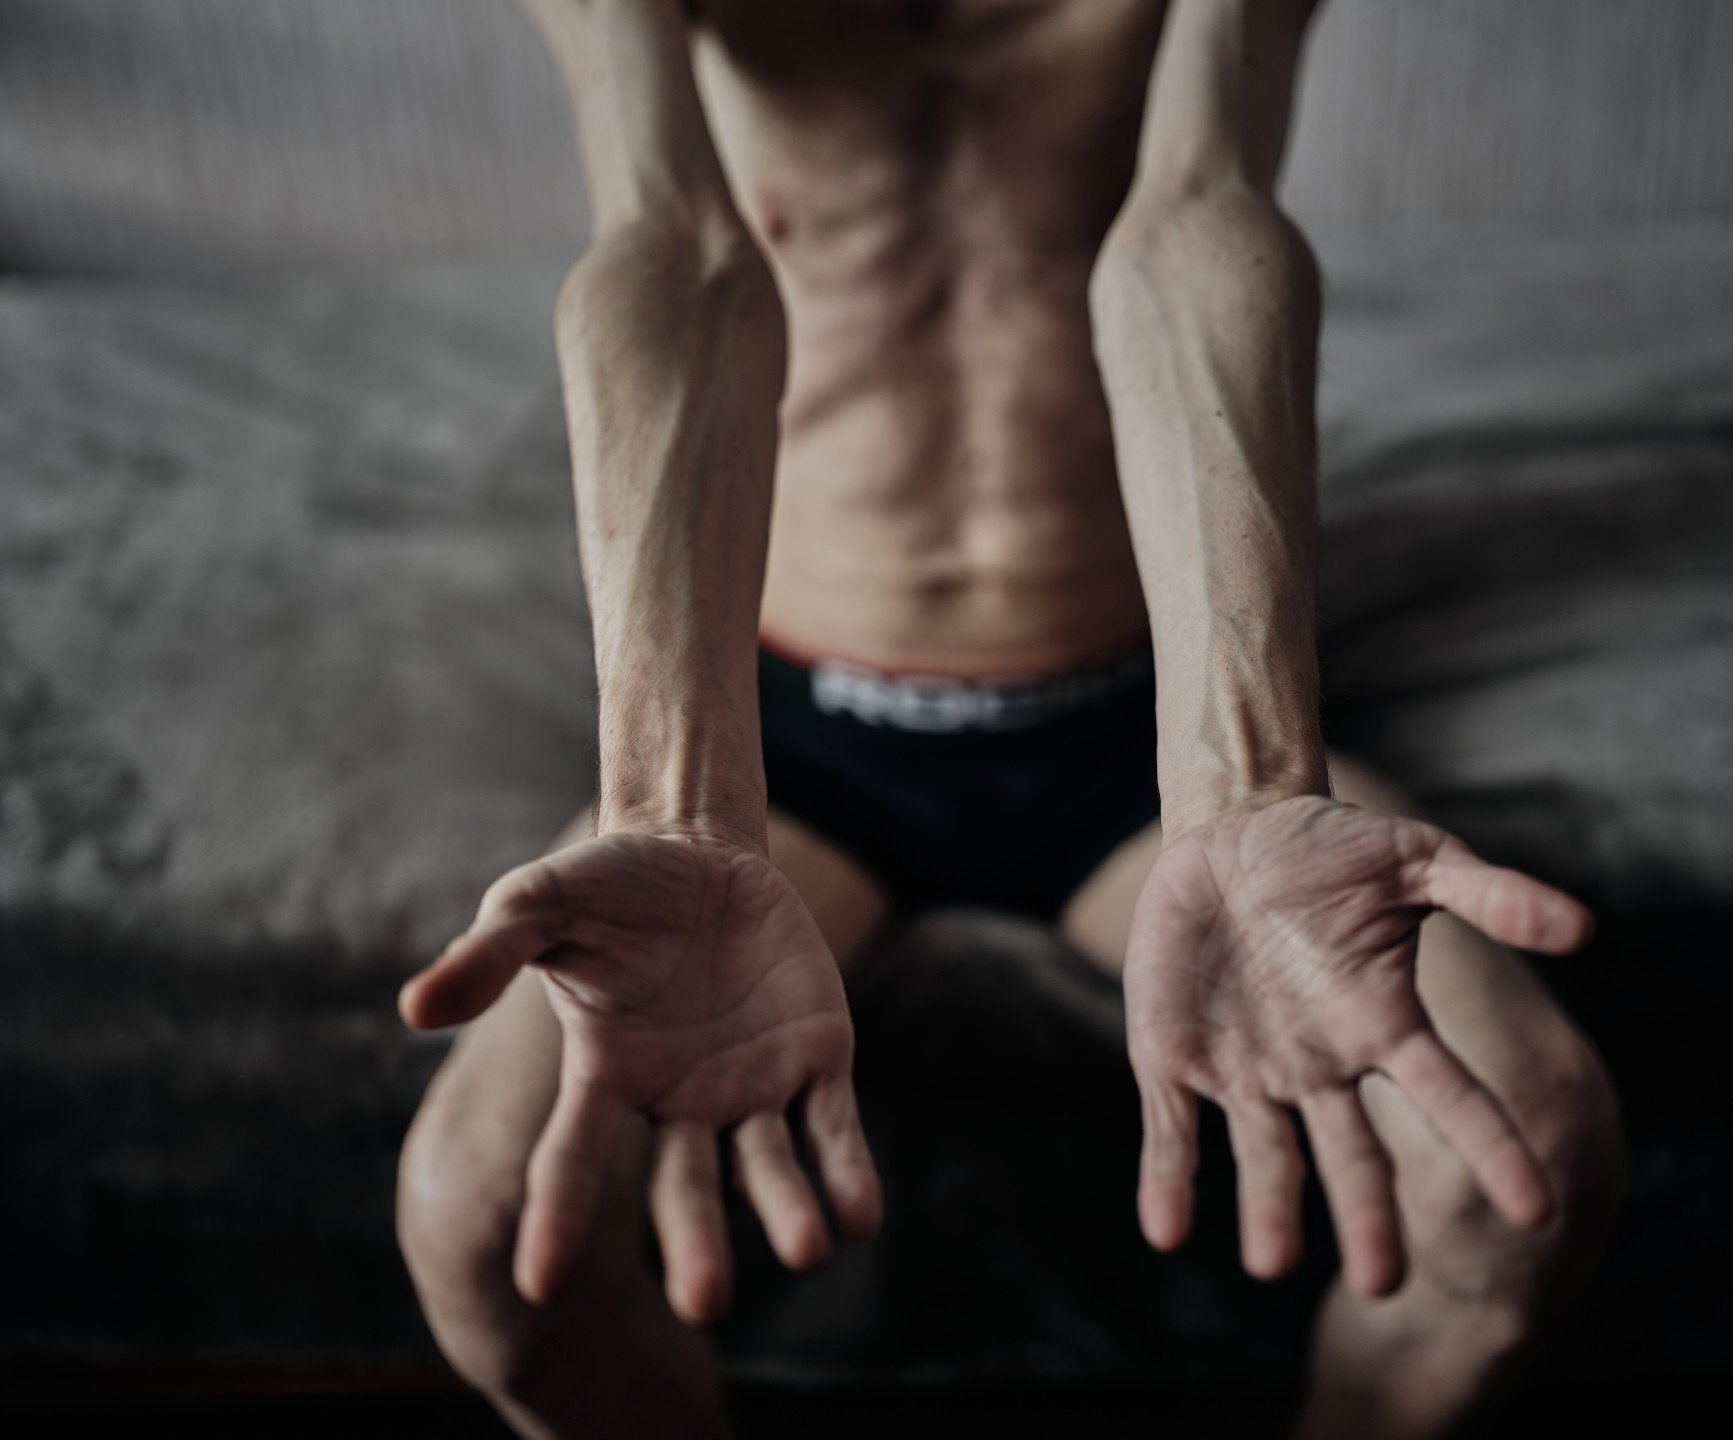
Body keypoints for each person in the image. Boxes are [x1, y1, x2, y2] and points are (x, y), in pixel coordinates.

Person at [394, 2, 1625, 1435]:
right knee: (477, 1228)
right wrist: (677, 804)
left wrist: (1248, 784)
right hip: (785, 746)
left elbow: (1191, 220)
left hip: (1152, 720)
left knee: (1527, 1165)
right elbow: (675, 249)